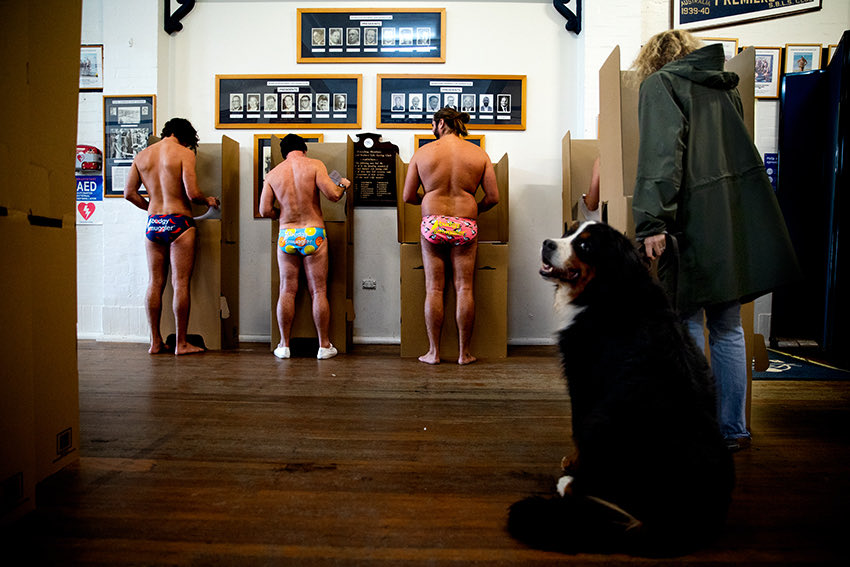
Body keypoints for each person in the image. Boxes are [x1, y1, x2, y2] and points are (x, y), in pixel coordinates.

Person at [631, 30, 799, 451]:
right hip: (729, 220)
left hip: (688, 222)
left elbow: (661, 157)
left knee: (686, 321)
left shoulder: (662, 84)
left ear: (654, 59)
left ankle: (693, 428)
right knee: (727, 327)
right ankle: (733, 430)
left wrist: (652, 222)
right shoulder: (726, 88)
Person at [402, 107, 500, 365]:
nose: (430, 129)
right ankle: (463, 353)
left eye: (431, 124)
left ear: (441, 123)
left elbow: (408, 196)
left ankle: (433, 352)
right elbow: (494, 197)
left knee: (434, 288)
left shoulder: (422, 153)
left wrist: (430, 200)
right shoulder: (479, 154)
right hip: (466, 222)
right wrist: (473, 206)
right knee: (464, 288)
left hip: (432, 223)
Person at [124, 118, 220, 355]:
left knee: (155, 282)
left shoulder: (142, 156)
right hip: (179, 223)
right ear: (185, 136)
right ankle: (181, 343)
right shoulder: (184, 154)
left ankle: (155, 342)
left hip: (154, 224)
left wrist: (152, 208)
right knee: (180, 283)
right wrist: (207, 199)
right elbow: (192, 193)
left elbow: (129, 193)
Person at [259, 134, 351, 360]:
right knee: (318, 291)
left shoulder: (273, 174)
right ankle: (324, 346)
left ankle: (284, 345)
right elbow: (333, 195)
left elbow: (264, 210)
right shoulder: (315, 165)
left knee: (287, 290)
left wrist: (282, 215)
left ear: (283, 153)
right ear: (304, 149)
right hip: (313, 232)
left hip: (287, 233)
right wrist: (343, 184)